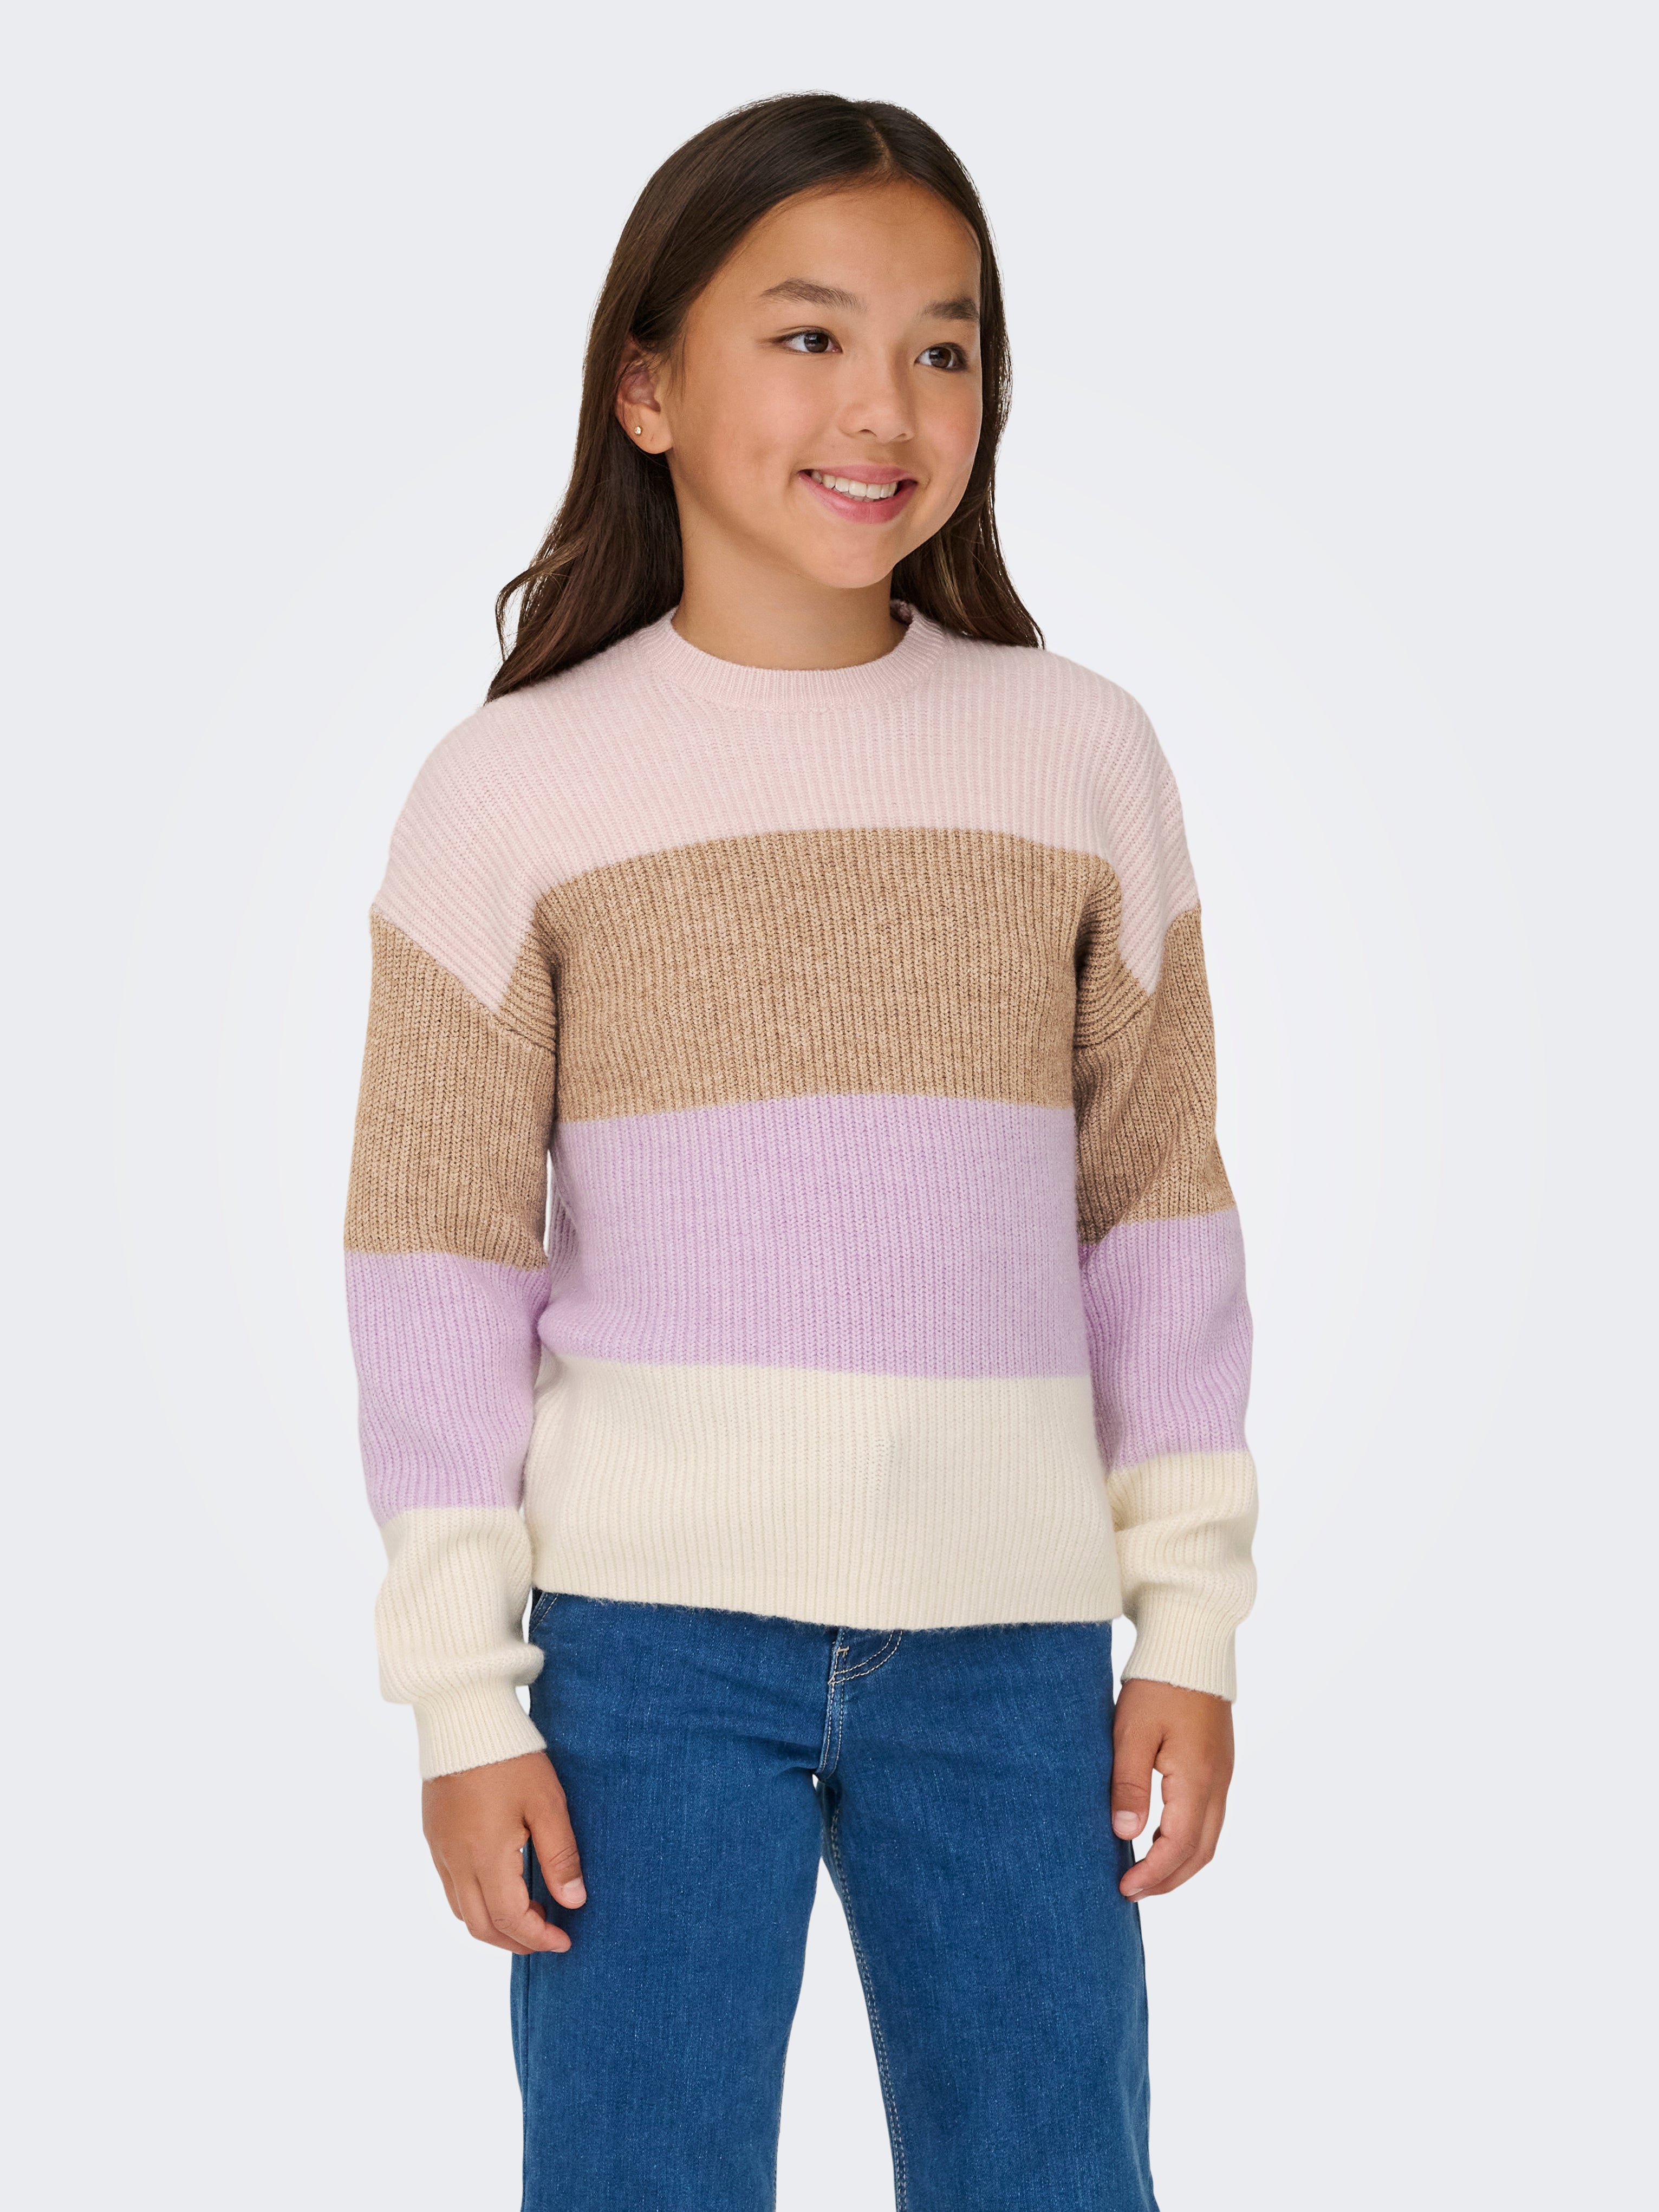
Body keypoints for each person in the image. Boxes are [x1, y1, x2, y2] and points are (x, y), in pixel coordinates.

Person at [344, 90, 1257, 2212]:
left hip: (1016, 1644)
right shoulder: (510, 789)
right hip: (641, 1653)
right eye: (811, 335)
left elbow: (1156, 1207)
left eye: (945, 345)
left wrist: (1187, 1630)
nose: (886, 404)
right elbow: (436, 1259)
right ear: (647, 387)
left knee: (1052, 2175)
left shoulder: (1078, 753)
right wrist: (465, 1698)